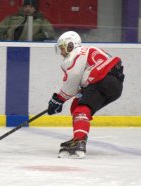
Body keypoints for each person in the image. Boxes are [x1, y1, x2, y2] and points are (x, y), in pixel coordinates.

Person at [47, 31, 124, 159]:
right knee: (77, 105)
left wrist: (58, 99)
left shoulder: (78, 53)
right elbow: (81, 83)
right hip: (115, 85)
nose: (61, 52)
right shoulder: (90, 52)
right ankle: (79, 136)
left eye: (62, 48)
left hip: (102, 79)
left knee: (81, 109)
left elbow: (74, 77)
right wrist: (61, 99)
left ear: (71, 45)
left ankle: (79, 142)